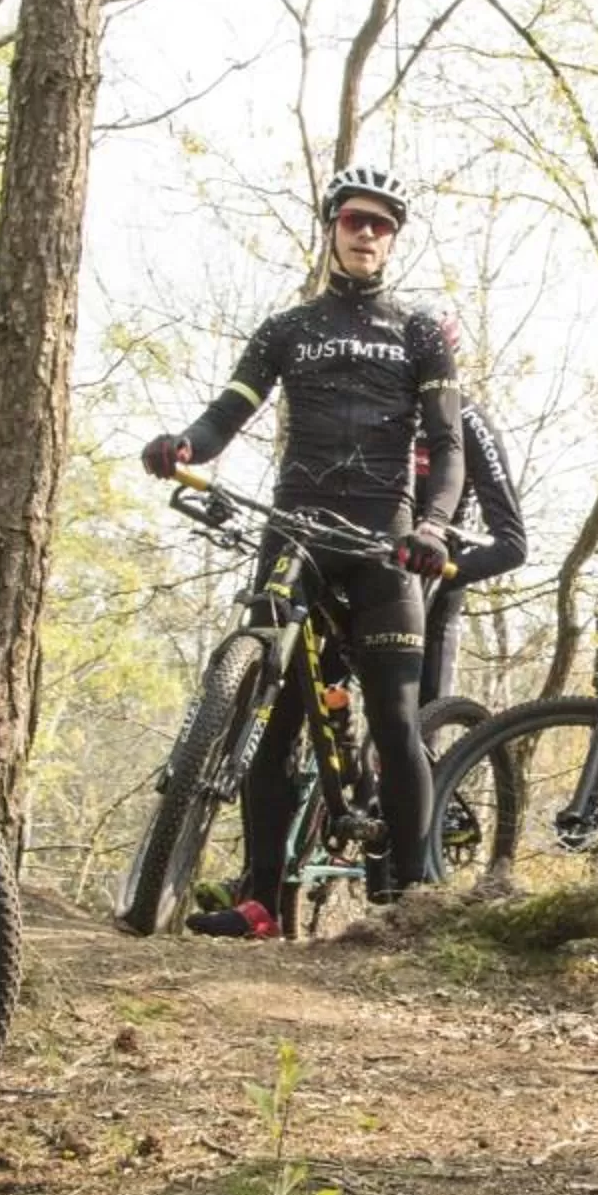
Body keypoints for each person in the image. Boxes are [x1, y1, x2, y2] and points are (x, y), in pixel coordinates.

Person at [140, 165, 464, 940]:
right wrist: (186, 445)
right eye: (355, 220)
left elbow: (448, 446)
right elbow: (227, 415)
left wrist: (434, 526)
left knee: (394, 717)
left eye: (381, 224)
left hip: (386, 539)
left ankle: (410, 901)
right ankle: (260, 897)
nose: (366, 234)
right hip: (296, 532)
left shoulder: (420, 332)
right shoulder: (288, 329)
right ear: (331, 227)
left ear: (394, 239)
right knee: (274, 713)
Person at [419, 391, 528, 711]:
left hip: (432, 589)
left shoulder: (466, 416)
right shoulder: (373, 403)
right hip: (361, 582)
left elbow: (512, 545)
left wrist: (443, 570)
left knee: (422, 731)